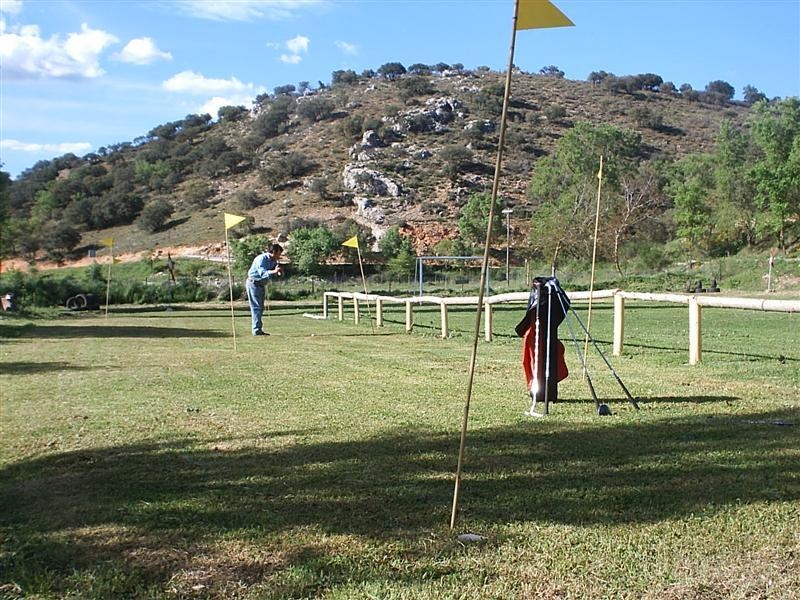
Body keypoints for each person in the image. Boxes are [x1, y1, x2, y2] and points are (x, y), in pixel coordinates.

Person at [246, 243, 283, 336]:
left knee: (260, 307)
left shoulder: (273, 260)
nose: (279, 256)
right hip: (253, 283)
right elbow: (262, 273)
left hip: (261, 285)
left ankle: (258, 329)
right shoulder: (261, 259)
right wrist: (274, 271)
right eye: (279, 253)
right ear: (273, 252)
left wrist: (278, 270)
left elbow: (273, 271)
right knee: (256, 307)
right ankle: (256, 330)